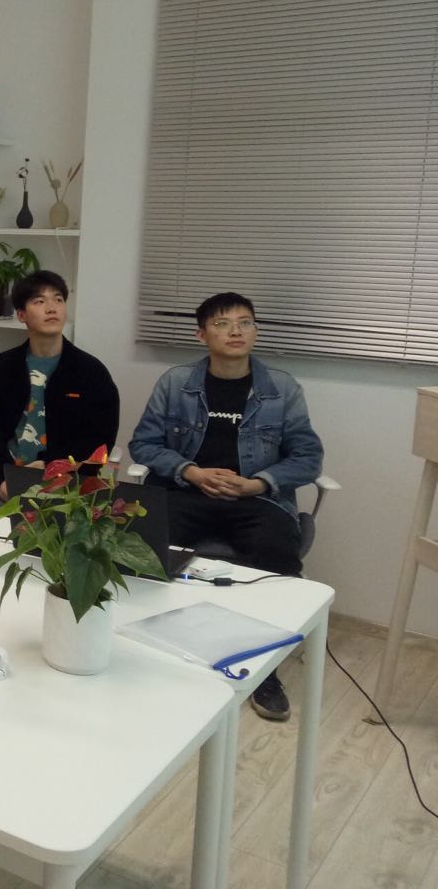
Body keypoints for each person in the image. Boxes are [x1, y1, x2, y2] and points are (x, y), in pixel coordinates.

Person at [129, 291, 324, 722]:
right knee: (140, 546)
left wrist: (258, 483)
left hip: (256, 500)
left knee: (276, 557)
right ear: (201, 334)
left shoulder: (282, 389)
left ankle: (263, 667)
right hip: (185, 492)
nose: (236, 331)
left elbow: (308, 457)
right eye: (222, 323)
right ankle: (147, 651)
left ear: (255, 331)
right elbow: (143, 444)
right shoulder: (176, 383)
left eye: (245, 322)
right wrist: (191, 472)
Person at [0, 271, 119, 513]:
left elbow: (99, 439)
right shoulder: (0, 368)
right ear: (21, 315)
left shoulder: (90, 373)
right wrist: (1, 481)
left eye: (58, 300)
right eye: (39, 301)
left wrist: (49, 465)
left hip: (63, 482)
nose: (51, 308)